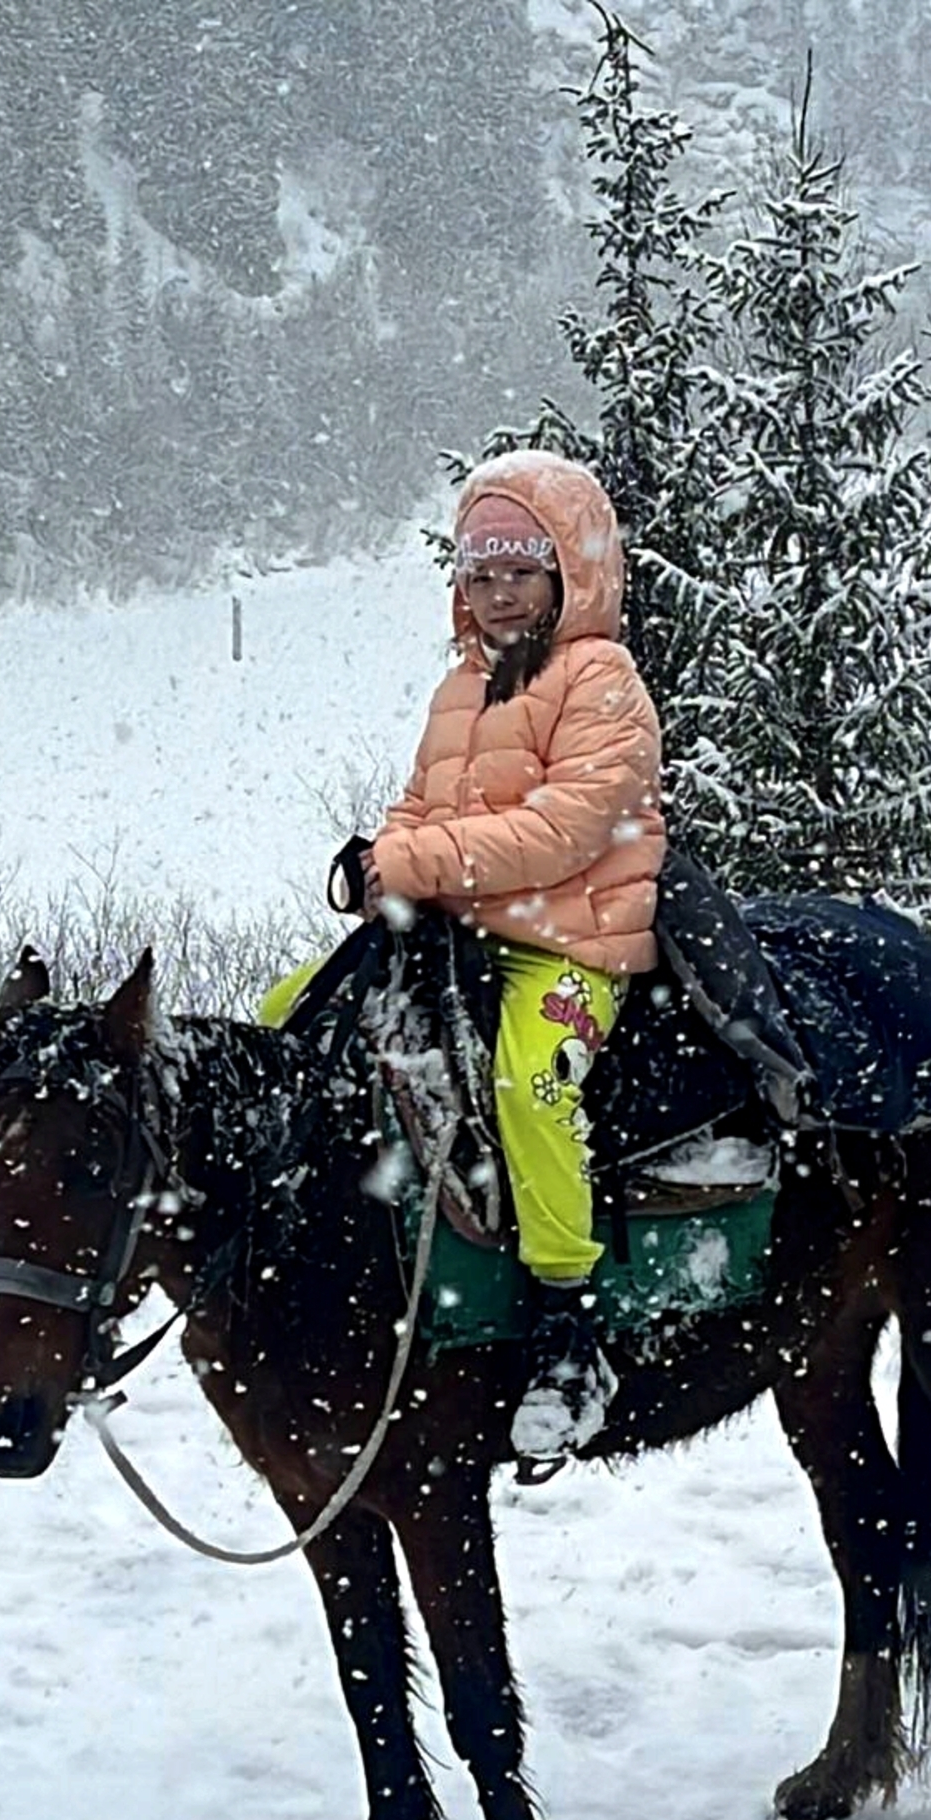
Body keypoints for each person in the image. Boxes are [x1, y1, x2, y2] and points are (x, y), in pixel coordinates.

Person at [330, 449, 665, 1466]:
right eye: (482, 574)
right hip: (458, 940)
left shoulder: (602, 679)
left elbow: (564, 831)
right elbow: (418, 806)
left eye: (522, 571)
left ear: (571, 573)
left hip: (573, 943)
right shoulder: (460, 686)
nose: (501, 593)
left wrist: (411, 861)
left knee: (531, 1084)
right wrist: (376, 862)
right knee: (294, 1016)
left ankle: (569, 1322)